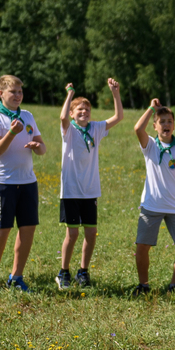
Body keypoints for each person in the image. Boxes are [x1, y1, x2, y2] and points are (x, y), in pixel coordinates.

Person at [56, 79, 124, 291]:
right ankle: (63, 272)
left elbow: (118, 117)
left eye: (87, 108)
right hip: (70, 190)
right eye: (79, 109)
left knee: (91, 233)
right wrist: (70, 95)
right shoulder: (68, 129)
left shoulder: (95, 128)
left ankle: (83, 271)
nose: (84, 111)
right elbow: (62, 116)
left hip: (90, 190)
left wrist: (115, 93)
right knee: (73, 234)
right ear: (73, 113)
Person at [0, 75, 46, 293]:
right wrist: (12, 132)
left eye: (20, 92)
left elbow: (42, 147)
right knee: (3, 228)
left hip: (27, 181)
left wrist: (36, 146)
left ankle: (17, 276)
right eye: (13, 92)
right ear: (1, 93)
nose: (18, 95)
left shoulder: (27, 115)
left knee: (28, 229)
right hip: (3, 182)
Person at [133, 98, 175, 294]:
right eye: (161, 121)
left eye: (169, 121)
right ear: (154, 126)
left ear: (174, 125)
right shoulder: (150, 145)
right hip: (151, 205)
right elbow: (138, 129)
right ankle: (143, 285)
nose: (166, 125)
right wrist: (151, 107)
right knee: (143, 246)